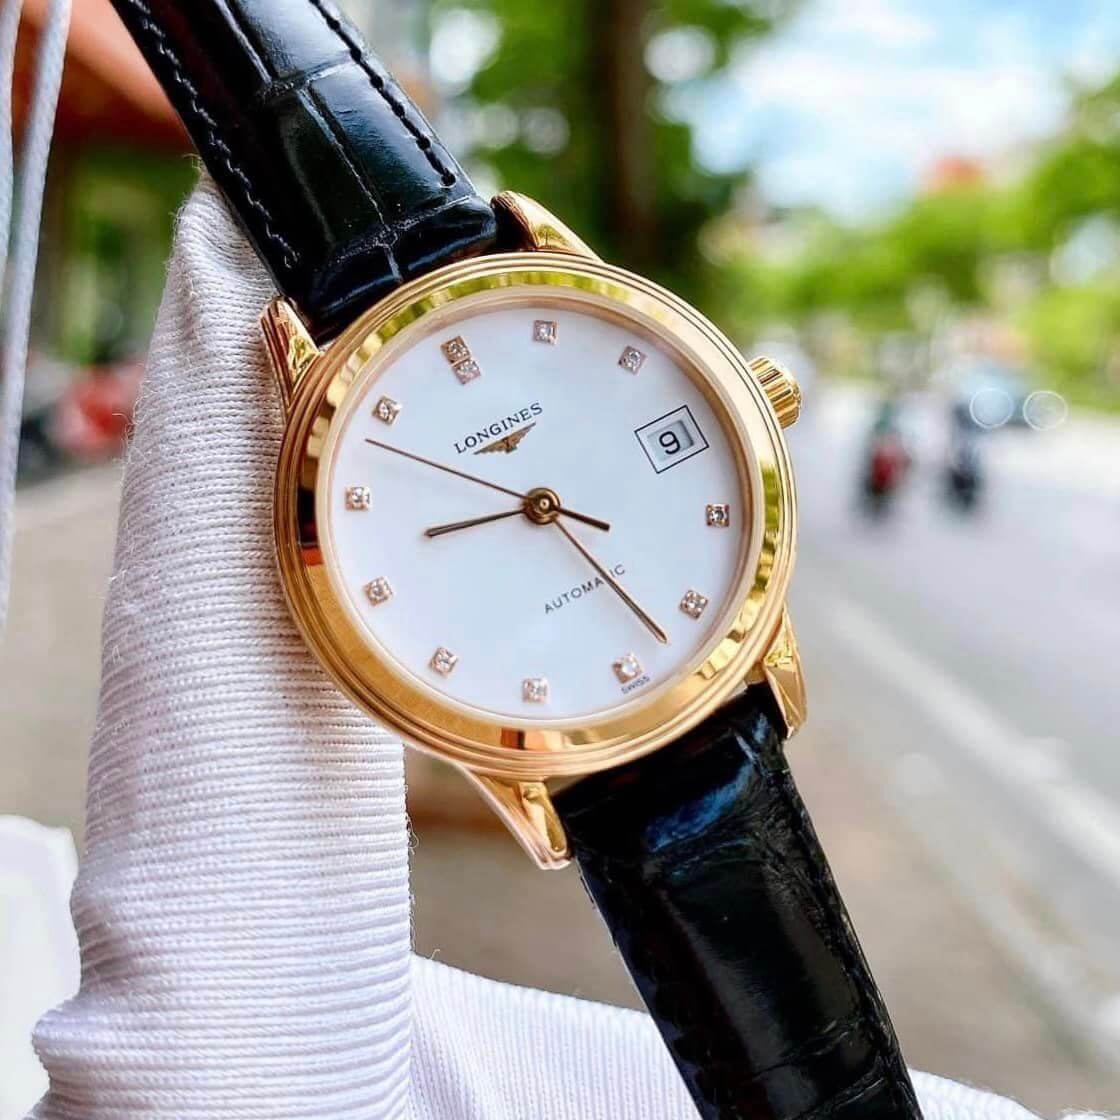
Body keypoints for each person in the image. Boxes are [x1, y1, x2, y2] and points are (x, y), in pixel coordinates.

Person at [26, 182, 1084, 1120]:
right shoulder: (378, 360)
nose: (539, 503)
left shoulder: (538, 262)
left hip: (700, 671)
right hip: (565, 734)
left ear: (753, 395)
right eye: (526, 501)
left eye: (544, 495)